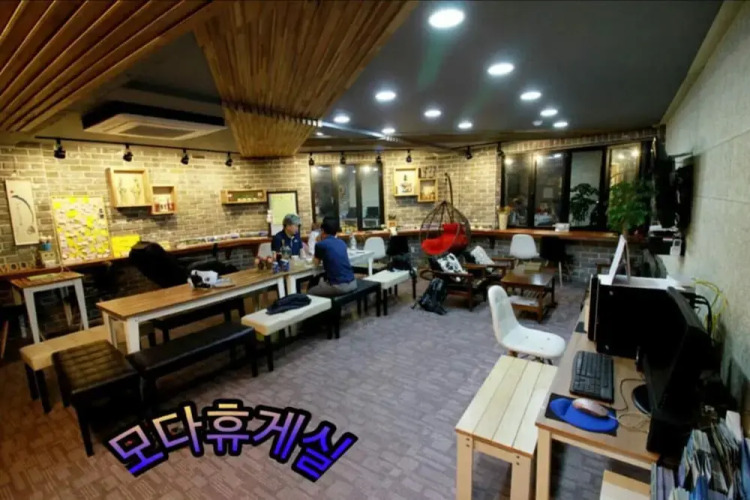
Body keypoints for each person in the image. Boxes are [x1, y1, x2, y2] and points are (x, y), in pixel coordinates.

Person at [307, 216, 357, 296]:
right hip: (353, 282)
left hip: (339, 286)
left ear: (322, 230)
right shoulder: (342, 243)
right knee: (322, 283)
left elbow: (315, 263)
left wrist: (318, 242)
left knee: (310, 291)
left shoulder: (321, 245)